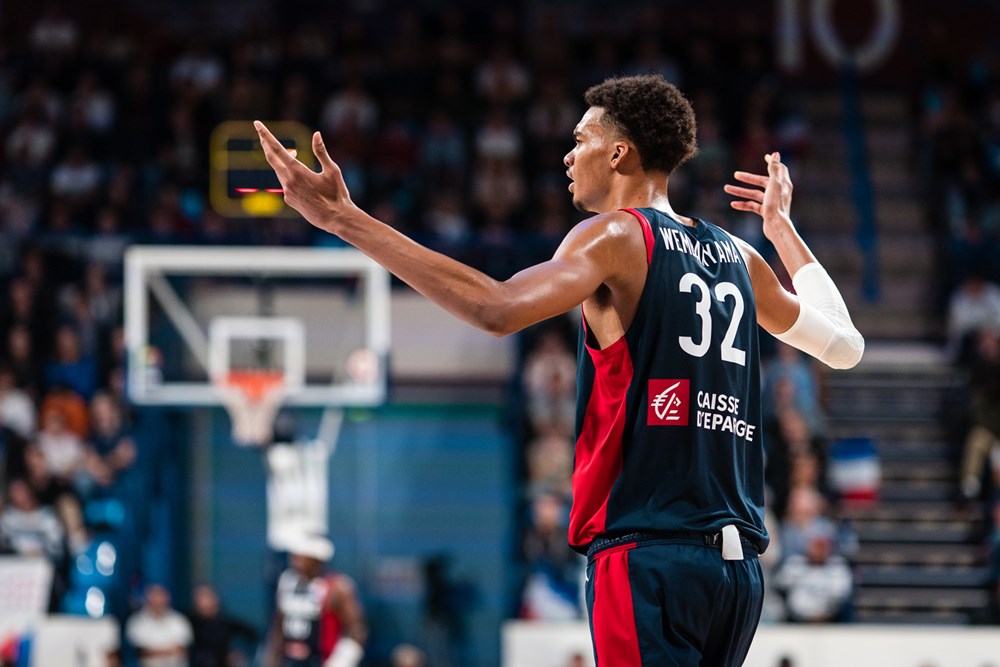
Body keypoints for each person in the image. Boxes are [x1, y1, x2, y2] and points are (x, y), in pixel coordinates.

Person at [256, 73, 864, 666]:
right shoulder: (741, 256)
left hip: (647, 553)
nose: (569, 156)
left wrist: (345, 220)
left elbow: (495, 308)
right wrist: (782, 231)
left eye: (581, 139)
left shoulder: (614, 237)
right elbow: (844, 346)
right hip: (737, 573)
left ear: (620, 153)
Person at [265, 534, 367, 667]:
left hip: (322, 660)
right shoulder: (287, 583)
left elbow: (357, 631)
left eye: (301, 557)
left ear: (317, 560)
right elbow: (278, 627)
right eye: (294, 556)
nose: (296, 561)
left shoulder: (337, 587)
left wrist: (340, 662)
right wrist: (272, 660)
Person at [187, 584, 257, 667]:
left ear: (215, 599)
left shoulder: (229, 624)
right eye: (197, 598)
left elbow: (253, 636)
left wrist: (239, 652)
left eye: (204, 596)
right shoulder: (188, 623)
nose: (200, 601)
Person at [125, 584, 193, 667]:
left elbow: (183, 649)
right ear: (146, 598)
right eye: (153, 596)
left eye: (160, 596)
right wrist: (170, 650)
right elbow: (141, 651)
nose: (157, 600)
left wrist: (154, 650)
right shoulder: (136, 621)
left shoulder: (179, 620)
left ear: (167, 598)